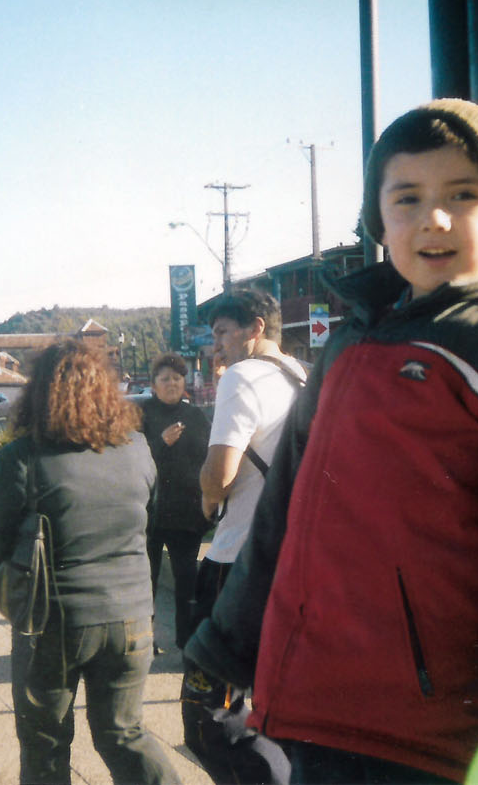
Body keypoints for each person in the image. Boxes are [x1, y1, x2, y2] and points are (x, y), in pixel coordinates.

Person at [184, 99, 478, 783]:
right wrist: (228, 644)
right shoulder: (348, 347)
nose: (432, 218)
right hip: (317, 709)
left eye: (462, 195)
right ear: (379, 218)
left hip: (439, 735)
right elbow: (284, 514)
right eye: (407, 197)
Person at [0, 339, 180, 785]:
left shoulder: (21, 458)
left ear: (39, 391)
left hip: (53, 625)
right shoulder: (138, 448)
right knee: (123, 733)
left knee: (45, 741)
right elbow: (150, 520)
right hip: (133, 620)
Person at [185, 289, 303, 785]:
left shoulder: (242, 376)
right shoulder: (305, 375)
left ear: (255, 328)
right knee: (281, 707)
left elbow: (220, 473)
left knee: (210, 715)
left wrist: (208, 496)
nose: (218, 346)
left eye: (222, 333)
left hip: (238, 562)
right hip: (298, 560)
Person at [138, 353, 211, 652]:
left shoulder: (195, 417)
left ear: (185, 385)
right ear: (153, 384)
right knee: (147, 581)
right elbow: (131, 460)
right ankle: (145, 640)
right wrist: (159, 443)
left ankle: (185, 640)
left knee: (186, 581)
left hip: (187, 515)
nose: (172, 383)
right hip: (149, 514)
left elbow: (209, 459)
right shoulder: (141, 416)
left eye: (177, 378)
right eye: (165, 378)